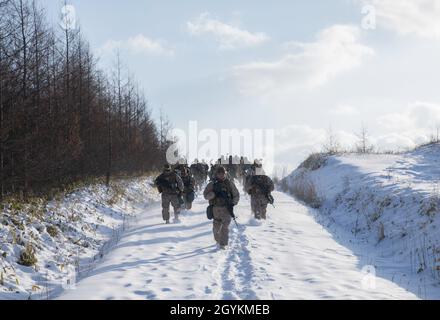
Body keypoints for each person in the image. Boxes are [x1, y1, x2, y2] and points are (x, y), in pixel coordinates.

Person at [204, 166, 240, 250]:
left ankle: (223, 244)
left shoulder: (229, 183)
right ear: (216, 174)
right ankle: (218, 240)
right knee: (216, 227)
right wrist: (212, 195)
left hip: (226, 209)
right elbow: (205, 195)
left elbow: (236, 194)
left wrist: (232, 203)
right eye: (219, 173)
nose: (221, 175)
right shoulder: (212, 184)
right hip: (216, 209)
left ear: (225, 174)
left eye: (223, 173)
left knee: (225, 227)